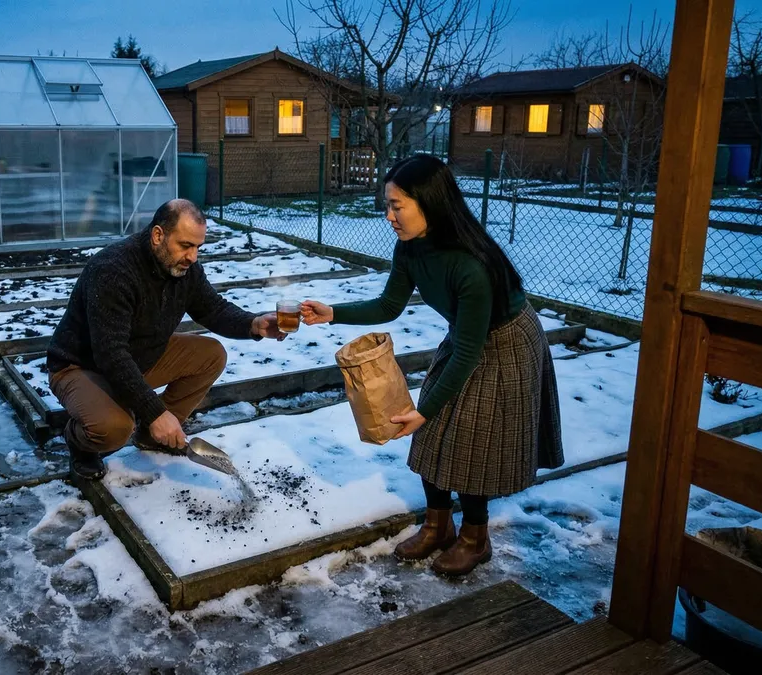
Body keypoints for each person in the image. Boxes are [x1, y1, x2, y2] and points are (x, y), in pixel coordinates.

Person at [301, 155, 564, 577]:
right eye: (387, 205)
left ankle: (476, 538)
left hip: (506, 342)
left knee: (472, 436)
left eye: (396, 205)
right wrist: (332, 312)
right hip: (467, 335)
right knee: (433, 433)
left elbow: (468, 354)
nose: (389, 216)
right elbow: (390, 304)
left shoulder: (469, 265)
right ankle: (437, 525)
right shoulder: (410, 247)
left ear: (429, 203)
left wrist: (425, 410)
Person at [47, 199, 286, 480]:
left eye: (198, 247)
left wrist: (253, 324)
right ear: (158, 235)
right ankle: (79, 443)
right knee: (114, 428)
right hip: (82, 367)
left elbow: (212, 308)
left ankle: (153, 436)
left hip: (139, 357)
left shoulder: (184, 268)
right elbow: (110, 354)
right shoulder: (113, 270)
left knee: (211, 355)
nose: (193, 257)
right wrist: (154, 410)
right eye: (186, 245)